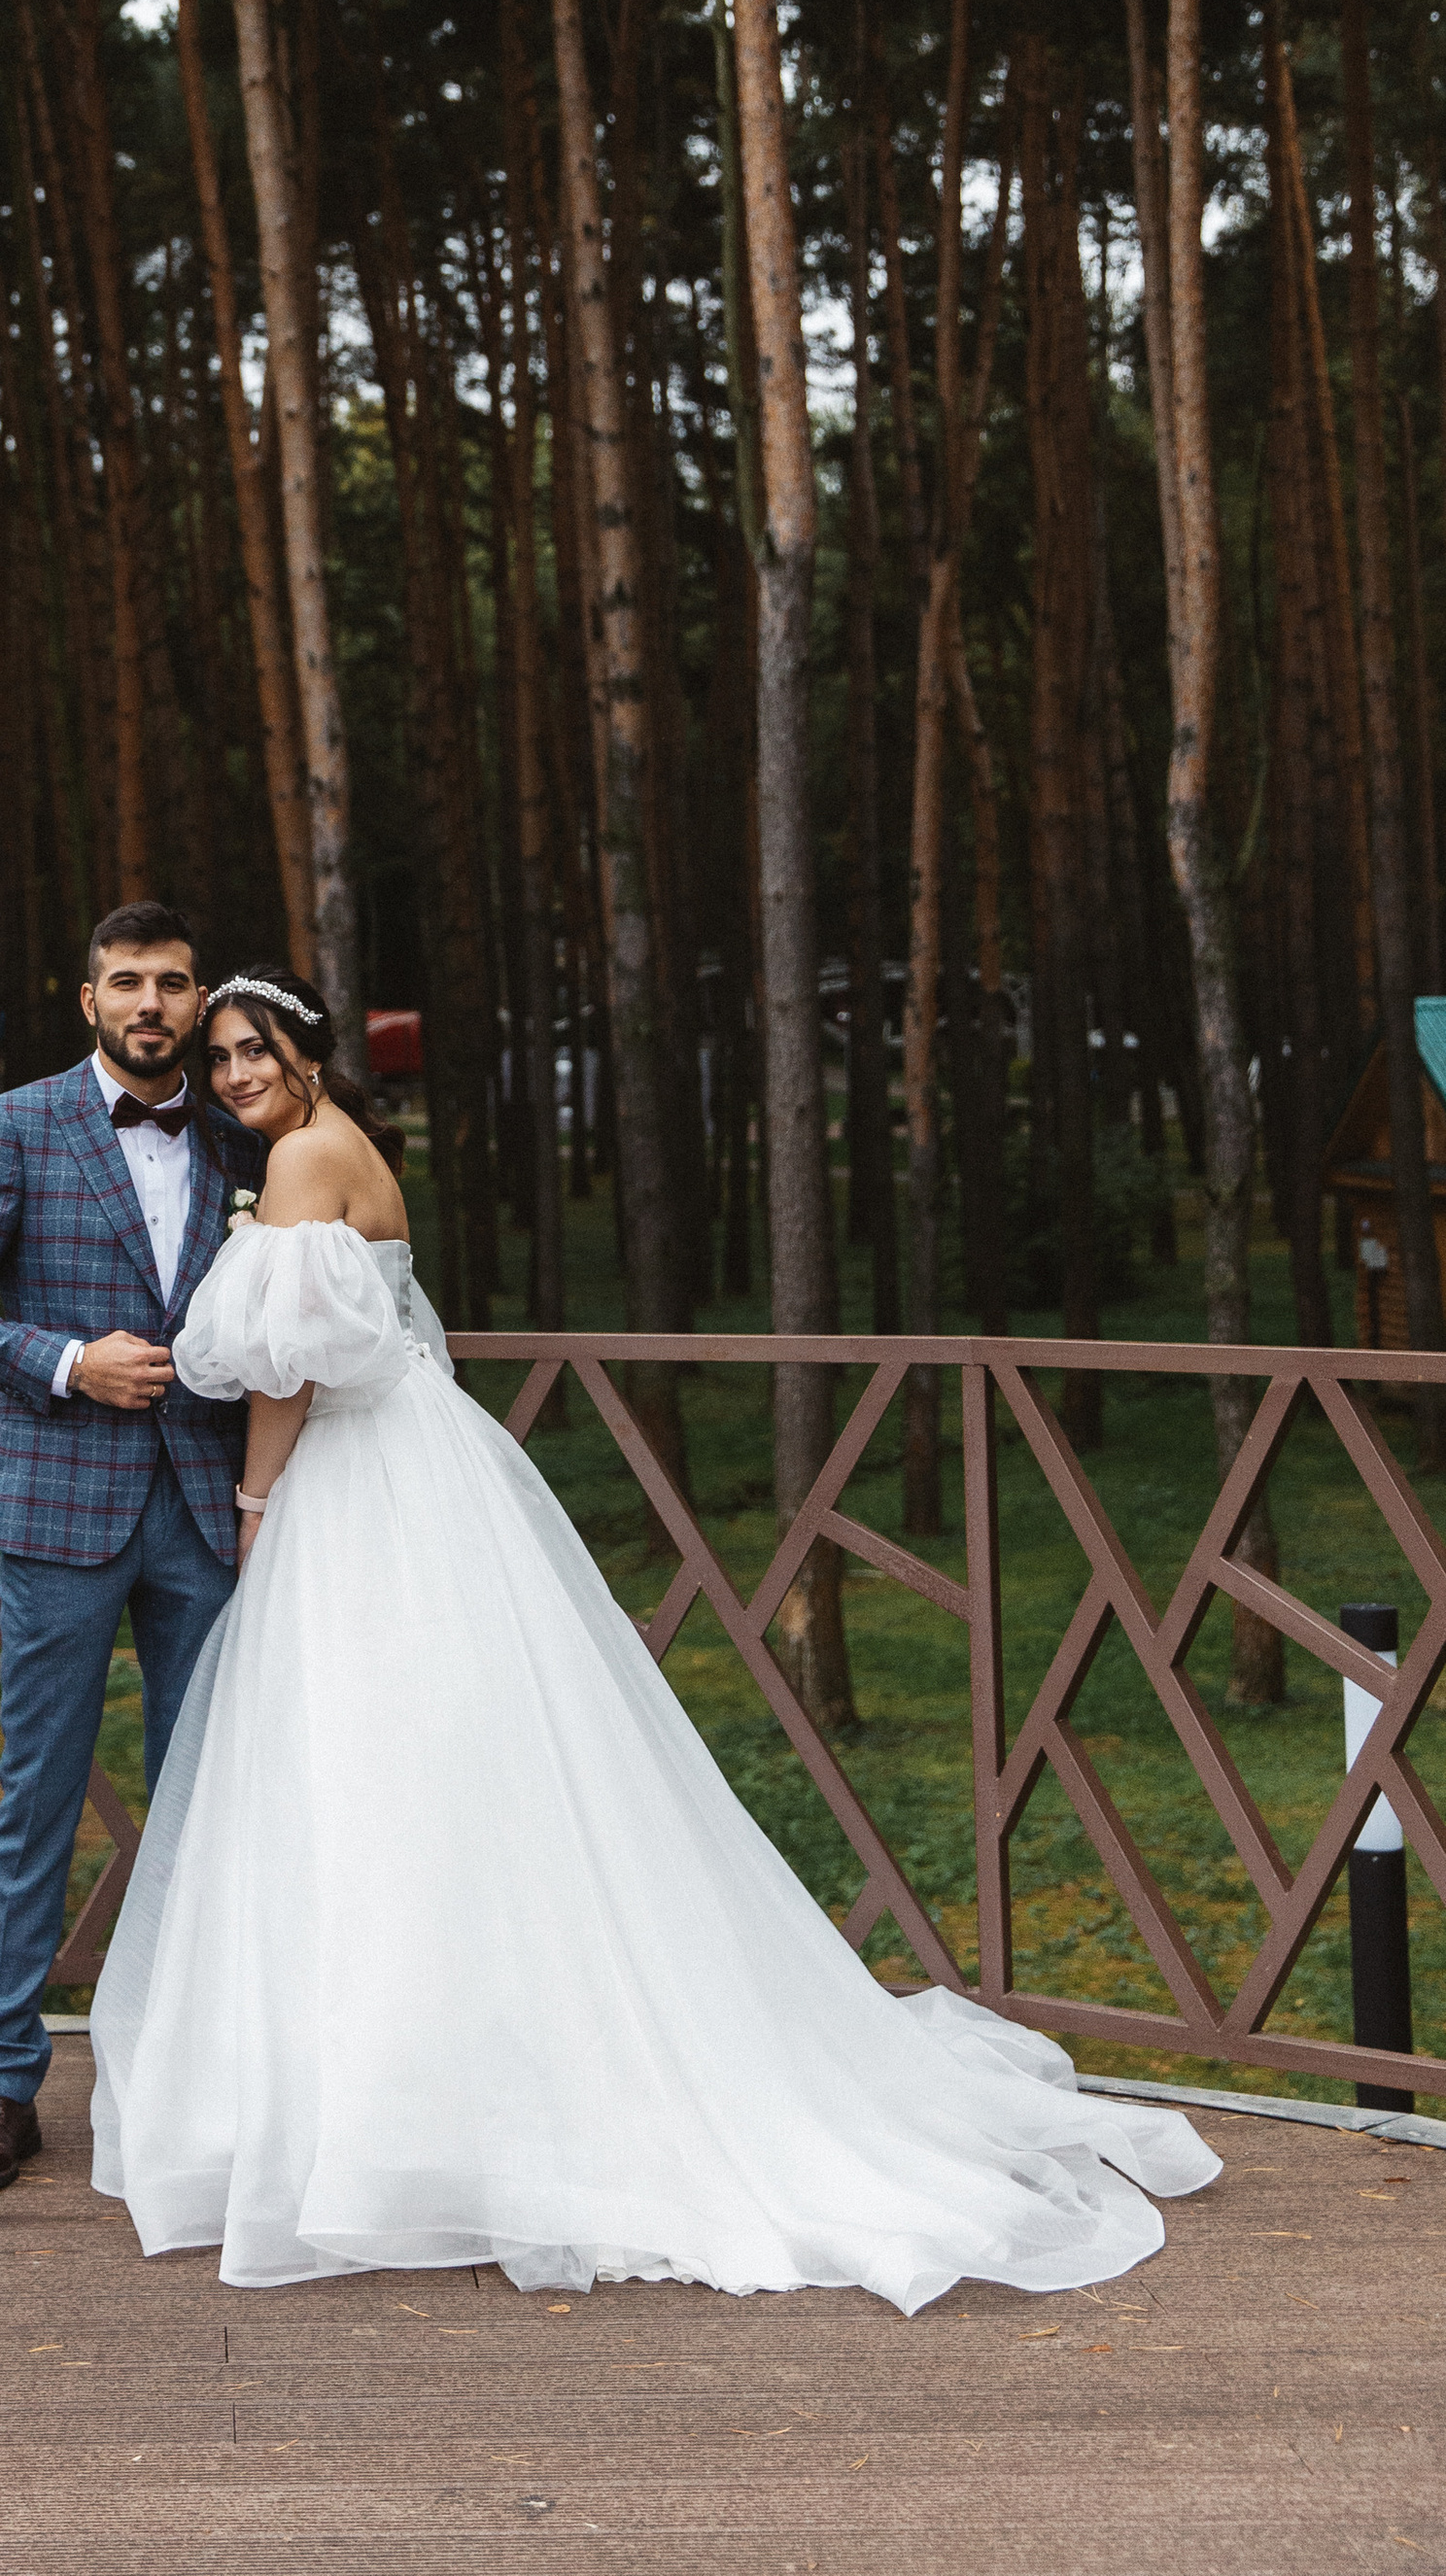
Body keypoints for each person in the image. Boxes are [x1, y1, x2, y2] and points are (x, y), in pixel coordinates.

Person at [89, 963, 1222, 2312]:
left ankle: (387, 2118)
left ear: (309, 1054)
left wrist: (258, 1500)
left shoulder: (298, 1168)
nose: (231, 1075)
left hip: (354, 1485)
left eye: (252, 1049)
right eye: (219, 1058)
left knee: (365, 1775)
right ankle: (419, 2097)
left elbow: (283, 1369)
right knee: (436, 1779)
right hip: (423, 1465)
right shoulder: (351, 1155)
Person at [0, 901, 266, 2196]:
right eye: (127, 984)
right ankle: (2, 2086)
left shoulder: (237, 1129)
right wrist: (62, 1360)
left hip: (208, 1506)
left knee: (211, 1798)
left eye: (172, 983)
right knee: (36, 1797)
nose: (151, 1004)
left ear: (200, 998)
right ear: (88, 1000)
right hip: (60, 1504)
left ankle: (193, 2081)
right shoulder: (18, 1124)